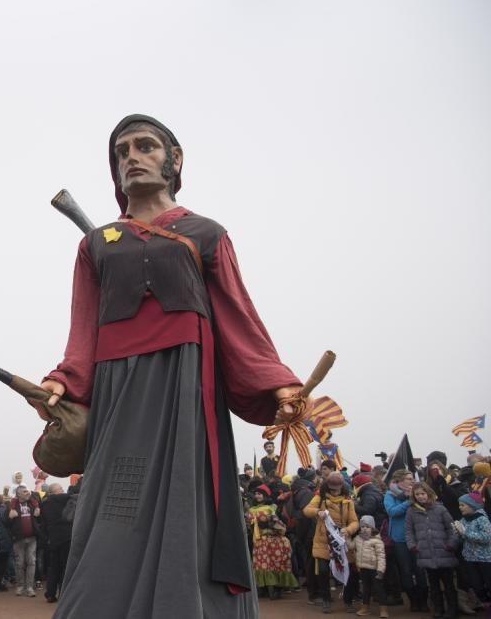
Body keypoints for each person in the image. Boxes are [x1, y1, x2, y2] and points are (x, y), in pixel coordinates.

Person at [39, 114, 303, 618]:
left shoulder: (205, 233)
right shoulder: (95, 244)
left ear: (174, 160)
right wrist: (65, 379)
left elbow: (237, 314)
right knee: (111, 503)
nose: (131, 157)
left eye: (145, 146)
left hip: (186, 386)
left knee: (187, 501)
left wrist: (275, 381)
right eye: (121, 151)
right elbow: (83, 328)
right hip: (118, 390)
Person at [302, 471, 359, 614]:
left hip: (342, 542)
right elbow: (306, 510)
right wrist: (317, 512)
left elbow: (354, 522)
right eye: (332, 488)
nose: (335, 491)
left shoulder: (348, 501)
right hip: (323, 542)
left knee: (350, 572)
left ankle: (348, 600)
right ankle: (326, 599)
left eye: (337, 488)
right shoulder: (319, 498)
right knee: (323, 571)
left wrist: (348, 530)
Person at [405, 482, 459, 618]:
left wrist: (451, 544)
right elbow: (409, 531)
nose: (420, 497)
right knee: (433, 584)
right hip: (425, 552)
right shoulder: (411, 511)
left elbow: (451, 528)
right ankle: (438, 609)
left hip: (444, 551)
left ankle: (452, 610)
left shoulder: (440, 509)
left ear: (428, 493)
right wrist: (412, 545)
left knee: (448, 584)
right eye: (417, 494)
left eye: (422, 494)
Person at [385, 469, 429, 611]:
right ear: (399, 480)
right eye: (409, 479)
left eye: (412, 478)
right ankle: (413, 601)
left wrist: (416, 498)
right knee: (406, 570)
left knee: (420, 570)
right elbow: (392, 512)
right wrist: (408, 502)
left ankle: (424, 601)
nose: (412, 480)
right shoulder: (390, 495)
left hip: (418, 537)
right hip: (399, 539)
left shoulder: (418, 493)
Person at [39, 482, 73, 603]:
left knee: (53, 568)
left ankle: (50, 594)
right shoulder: (66, 499)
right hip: (67, 537)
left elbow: (42, 524)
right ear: (57, 491)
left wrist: (46, 539)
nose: (63, 490)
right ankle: (63, 593)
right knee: (65, 566)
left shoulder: (45, 504)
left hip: (52, 538)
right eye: (61, 489)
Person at [456, 492, 491, 604]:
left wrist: (465, 533)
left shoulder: (482, 519)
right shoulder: (464, 520)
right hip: (470, 558)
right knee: (477, 586)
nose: (459, 507)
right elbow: (463, 538)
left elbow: (486, 538)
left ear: (472, 505)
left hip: (485, 559)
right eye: (459, 505)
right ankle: (486, 604)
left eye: (462, 505)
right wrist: (457, 533)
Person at [8, 484, 40, 597]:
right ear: (19, 494)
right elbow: (7, 521)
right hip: (18, 539)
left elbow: (39, 518)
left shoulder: (33, 503)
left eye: (28, 491)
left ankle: (30, 587)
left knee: (32, 562)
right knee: (19, 563)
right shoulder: (12, 505)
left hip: (32, 538)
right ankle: (20, 586)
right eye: (25, 492)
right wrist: (10, 517)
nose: (28, 493)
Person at [354, 515, 388, 618]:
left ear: (372, 528)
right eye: (363, 526)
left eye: (367, 527)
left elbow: (381, 556)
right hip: (363, 568)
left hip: (375, 570)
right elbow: (351, 545)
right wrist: (345, 537)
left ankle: (383, 609)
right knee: (366, 589)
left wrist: (381, 570)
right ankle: (365, 608)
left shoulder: (377, 541)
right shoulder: (357, 538)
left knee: (379, 589)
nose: (364, 529)